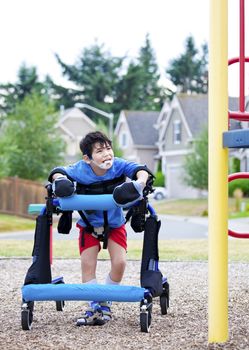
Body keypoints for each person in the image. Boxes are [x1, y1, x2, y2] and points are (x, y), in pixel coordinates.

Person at [48, 131, 151, 326]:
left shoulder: (118, 165)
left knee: (120, 263)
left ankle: (106, 301)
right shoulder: (80, 169)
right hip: (88, 225)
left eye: (108, 148)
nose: (107, 154)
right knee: (88, 264)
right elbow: (57, 171)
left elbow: (140, 169)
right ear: (87, 158)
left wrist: (140, 182)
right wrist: (60, 180)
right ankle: (94, 305)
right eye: (100, 151)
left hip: (115, 224)